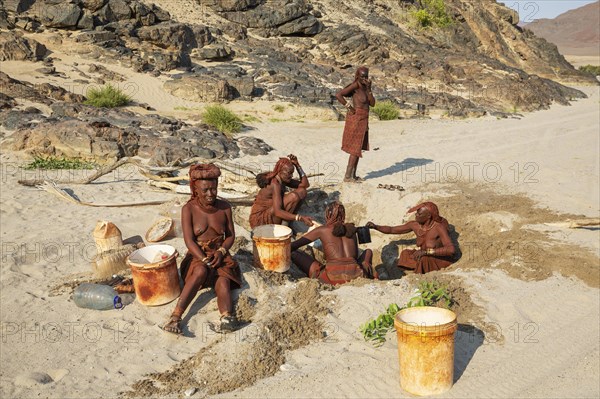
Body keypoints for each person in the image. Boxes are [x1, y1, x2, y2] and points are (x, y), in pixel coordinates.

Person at [162, 163, 242, 335]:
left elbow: (230, 236)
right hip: (197, 255)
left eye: (214, 189)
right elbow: (189, 241)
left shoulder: (225, 207)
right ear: (195, 190)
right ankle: (176, 316)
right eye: (205, 190)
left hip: (219, 254)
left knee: (223, 280)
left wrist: (221, 252)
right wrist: (204, 259)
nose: (210, 194)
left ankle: (227, 317)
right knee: (200, 271)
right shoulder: (188, 209)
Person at [290, 201, 375, 285]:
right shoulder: (352, 229)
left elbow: (295, 245)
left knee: (295, 253)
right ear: (343, 215)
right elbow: (355, 257)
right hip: (356, 275)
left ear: (328, 215)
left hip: (331, 278)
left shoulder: (322, 230)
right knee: (368, 251)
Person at [366, 202, 455, 274]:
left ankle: (419, 274)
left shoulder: (439, 228)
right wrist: (375, 227)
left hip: (437, 258)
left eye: (419, 214)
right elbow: (392, 229)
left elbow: (451, 250)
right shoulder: (415, 225)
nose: (416, 215)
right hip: (423, 255)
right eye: (416, 213)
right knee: (406, 254)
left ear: (428, 216)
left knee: (424, 259)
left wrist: (426, 252)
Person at [249, 154, 314, 229]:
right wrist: (300, 218)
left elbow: (305, 185)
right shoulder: (275, 184)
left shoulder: (282, 178)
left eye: (292, 173)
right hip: (261, 219)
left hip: (272, 210)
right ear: (280, 171)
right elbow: (278, 211)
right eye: (289, 173)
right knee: (293, 197)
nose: (291, 176)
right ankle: (283, 227)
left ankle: (287, 223)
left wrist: (297, 165)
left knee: (302, 191)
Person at [335, 66, 376, 182]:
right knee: (354, 148)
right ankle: (348, 176)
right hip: (356, 119)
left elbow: (372, 104)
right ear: (358, 76)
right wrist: (349, 107)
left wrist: (369, 89)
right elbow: (339, 95)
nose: (365, 78)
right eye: (362, 76)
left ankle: (353, 175)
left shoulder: (366, 88)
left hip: (364, 119)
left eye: (366, 76)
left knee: (359, 148)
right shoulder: (356, 86)